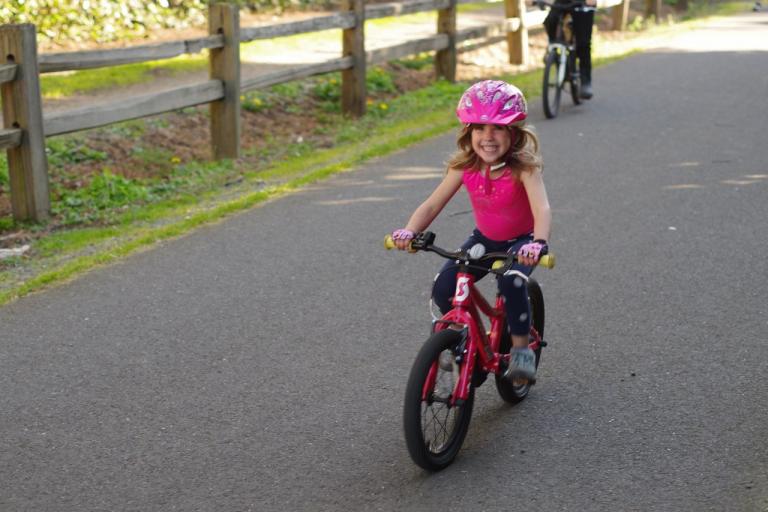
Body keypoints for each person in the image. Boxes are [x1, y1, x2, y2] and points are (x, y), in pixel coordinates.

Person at [391, 80, 552, 381]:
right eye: (479, 128)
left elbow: (542, 209)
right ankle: (461, 342)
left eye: (498, 128)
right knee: (444, 286)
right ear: (468, 132)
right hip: (483, 240)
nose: (488, 137)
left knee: (511, 283)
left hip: (521, 243)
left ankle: (520, 351)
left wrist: (538, 243)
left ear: (514, 133)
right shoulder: (464, 167)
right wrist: (410, 231)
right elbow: (432, 205)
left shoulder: (525, 169)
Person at [543, 0, 597, 99]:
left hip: (583, 3)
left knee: (583, 43)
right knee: (550, 21)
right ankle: (553, 51)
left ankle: (585, 81)